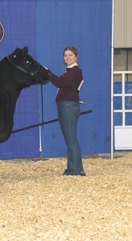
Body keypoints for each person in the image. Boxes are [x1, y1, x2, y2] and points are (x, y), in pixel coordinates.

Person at [49, 46, 86, 176]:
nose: (67, 57)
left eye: (70, 55)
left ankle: (76, 169)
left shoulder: (75, 71)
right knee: (70, 139)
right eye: (65, 55)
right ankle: (74, 168)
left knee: (70, 139)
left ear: (76, 56)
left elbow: (59, 82)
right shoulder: (71, 70)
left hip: (69, 106)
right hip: (67, 105)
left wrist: (48, 73)